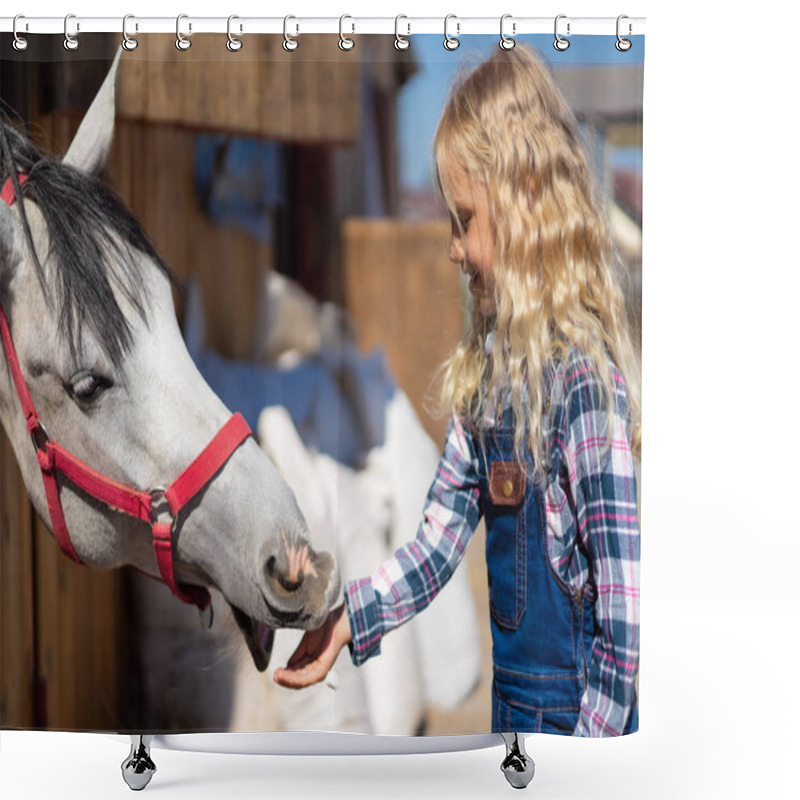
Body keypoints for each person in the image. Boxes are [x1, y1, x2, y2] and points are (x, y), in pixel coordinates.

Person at [273, 44, 641, 738]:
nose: (451, 246)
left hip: (579, 726)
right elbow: (436, 547)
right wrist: (349, 615)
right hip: (513, 719)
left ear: (527, 202)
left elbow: (622, 625)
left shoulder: (584, 386)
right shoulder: (490, 384)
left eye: (463, 219)